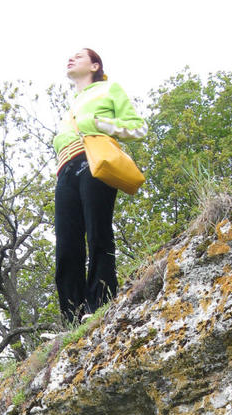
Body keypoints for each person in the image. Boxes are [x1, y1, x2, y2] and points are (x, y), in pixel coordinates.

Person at [53, 49, 147, 324]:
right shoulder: (73, 103)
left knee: (98, 231)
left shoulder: (109, 89)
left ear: (95, 65)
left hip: (94, 161)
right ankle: (71, 319)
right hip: (65, 169)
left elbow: (138, 129)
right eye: (69, 56)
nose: (70, 58)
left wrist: (96, 123)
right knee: (66, 245)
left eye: (79, 56)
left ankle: (100, 304)